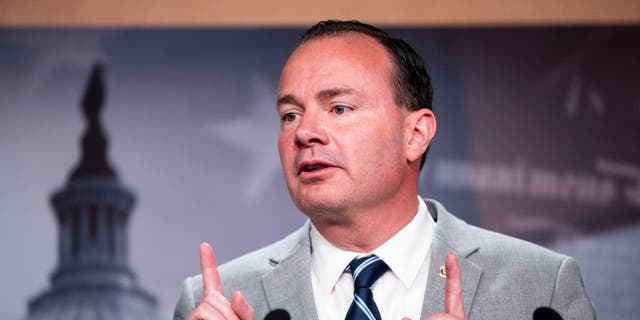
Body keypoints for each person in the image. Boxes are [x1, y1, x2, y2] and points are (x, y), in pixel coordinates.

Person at [174, 20, 595, 320]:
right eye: (289, 115)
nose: (305, 132)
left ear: (415, 134)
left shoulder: (542, 287)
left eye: (339, 108)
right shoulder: (218, 301)